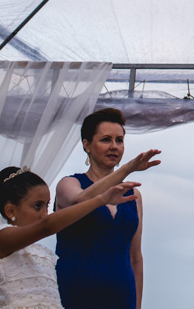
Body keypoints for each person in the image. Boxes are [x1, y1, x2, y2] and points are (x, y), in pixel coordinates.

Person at [0, 165, 139, 309]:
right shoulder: (1, 239)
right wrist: (100, 200)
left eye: (47, 205)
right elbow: (47, 225)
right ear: (11, 211)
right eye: (37, 206)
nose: (45, 214)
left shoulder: (44, 254)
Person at [55, 108, 161, 309]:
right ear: (87, 145)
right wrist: (127, 168)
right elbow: (79, 202)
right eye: (106, 140)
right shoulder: (69, 184)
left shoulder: (133, 195)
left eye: (119, 140)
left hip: (122, 296)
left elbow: (135, 257)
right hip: (76, 295)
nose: (114, 146)